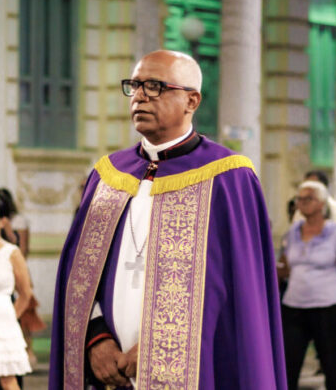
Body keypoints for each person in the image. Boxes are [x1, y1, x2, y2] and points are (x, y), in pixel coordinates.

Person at [49, 50, 287, 389]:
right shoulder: (108, 176)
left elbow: (240, 292)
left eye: (155, 85)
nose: (141, 95)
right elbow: (80, 274)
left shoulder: (229, 177)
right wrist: (95, 339)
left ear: (192, 100)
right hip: (108, 372)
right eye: (135, 85)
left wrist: (160, 347)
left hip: (196, 369)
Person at [277, 181, 336, 390]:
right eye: (299, 199)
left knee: (331, 364)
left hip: (328, 307)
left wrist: (329, 282)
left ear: (322, 203)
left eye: (308, 198)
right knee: (289, 364)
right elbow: (284, 265)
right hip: (294, 306)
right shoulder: (293, 231)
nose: (302, 203)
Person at [0, 202, 33, 390]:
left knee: (7, 379)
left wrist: (11, 318)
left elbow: (25, 293)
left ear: (2, 222)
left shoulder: (11, 252)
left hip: (2, 320)